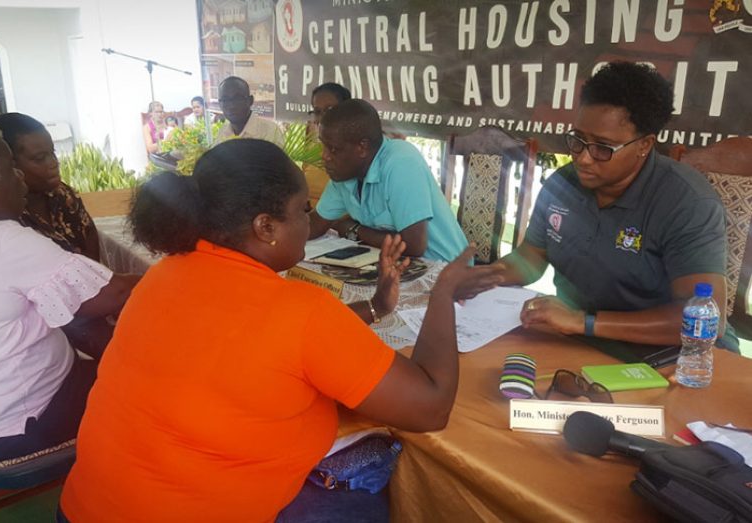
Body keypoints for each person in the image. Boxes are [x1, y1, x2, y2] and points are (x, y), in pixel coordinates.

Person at [60, 139, 495, 522]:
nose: (310, 221)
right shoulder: (301, 311)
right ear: (265, 227)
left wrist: (378, 307)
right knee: (374, 468)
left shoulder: (163, 274)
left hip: (82, 509)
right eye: (302, 209)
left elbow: (255, 343)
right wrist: (444, 293)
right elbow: (431, 407)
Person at [480, 61, 737, 351]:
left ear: (644, 144)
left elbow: (703, 319)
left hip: (674, 357)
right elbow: (532, 257)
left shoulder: (688, 203)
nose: (583, 158)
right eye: (578, 140)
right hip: (586, 342)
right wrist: (485, 275)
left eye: (603, 147)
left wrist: (583, 321)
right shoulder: (562, 185)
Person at [0, 119, 138, 465]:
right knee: (152, 383)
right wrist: (166, 274)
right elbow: (109, 294)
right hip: (20, 424)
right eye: (11, 167)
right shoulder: (3, 241)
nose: (20, 177)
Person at [309, 99, 468, 262]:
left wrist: (354, 229)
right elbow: (316, 223)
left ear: (362, 147)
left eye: (334, 149)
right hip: (396, 264)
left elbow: (413, 246)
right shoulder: (345, 173)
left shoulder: (401, 162)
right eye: (324, 146)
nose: (325, 156)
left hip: (445, 268)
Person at [0, 112, 101, 262]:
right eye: (40, 158)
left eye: (52, 153)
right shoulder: (4, 216)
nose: (53, 163)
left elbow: (92, 252)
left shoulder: (64, 195)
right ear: (9, 163)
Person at [215, 76, 284, 147]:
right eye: (225, 100)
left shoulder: (270, 131)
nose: (232, 105)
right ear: (219, 104)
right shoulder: (222, 133)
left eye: (238, 98)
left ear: (250, 101)